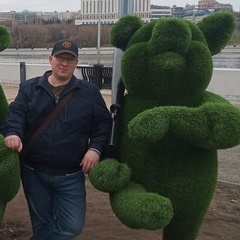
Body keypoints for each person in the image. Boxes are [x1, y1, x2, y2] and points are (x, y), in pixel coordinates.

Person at [1, 39, 112, 240]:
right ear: (51, 59)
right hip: (34, 172)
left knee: (72, 226)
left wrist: (95, 148)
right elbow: (15, 115)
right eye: (61, 58)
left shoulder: (89, 93)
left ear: (76, 63)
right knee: (41, 223)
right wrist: (12, 133)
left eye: (70, 59)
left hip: (71, 174)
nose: (64, 63)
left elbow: (103, 125)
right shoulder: (29, 88)